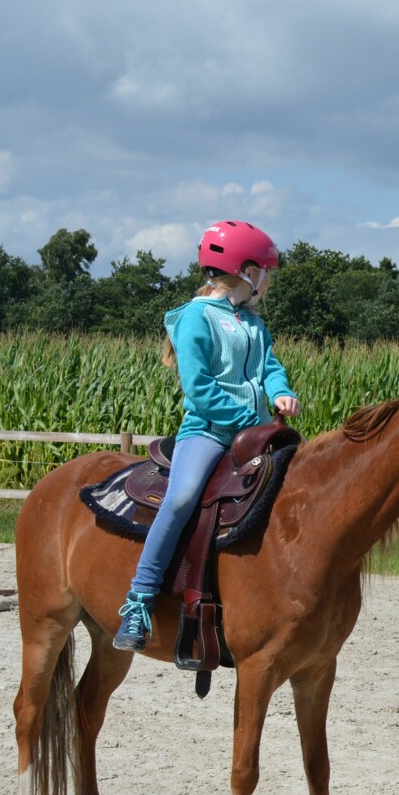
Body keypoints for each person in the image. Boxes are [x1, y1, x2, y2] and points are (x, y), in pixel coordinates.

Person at [113, 220, 298, 652]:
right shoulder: (195, 318)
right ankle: (139, 600)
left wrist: (282, 392)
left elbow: (270, 366)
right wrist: (247, 420)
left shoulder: (253, 322)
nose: (268, 281)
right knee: (180, 499)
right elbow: (199, 389)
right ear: (248, 271)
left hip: (256, 433)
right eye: (266, 271)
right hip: (209, 432)